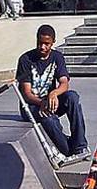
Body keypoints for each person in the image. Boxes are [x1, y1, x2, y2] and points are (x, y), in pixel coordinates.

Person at [16, 24, 89, 159]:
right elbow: (26, 94)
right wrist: (42, 102)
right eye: (40, 43)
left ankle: (80, 146)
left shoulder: (57, 57)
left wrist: (53, 93)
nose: (42, 47)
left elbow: (64, 83)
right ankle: (67, 149)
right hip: (32, 105)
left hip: (50, 100)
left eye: (46, 44)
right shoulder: (25, 59)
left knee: (73, 97)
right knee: (48, 118)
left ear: (53, 42)